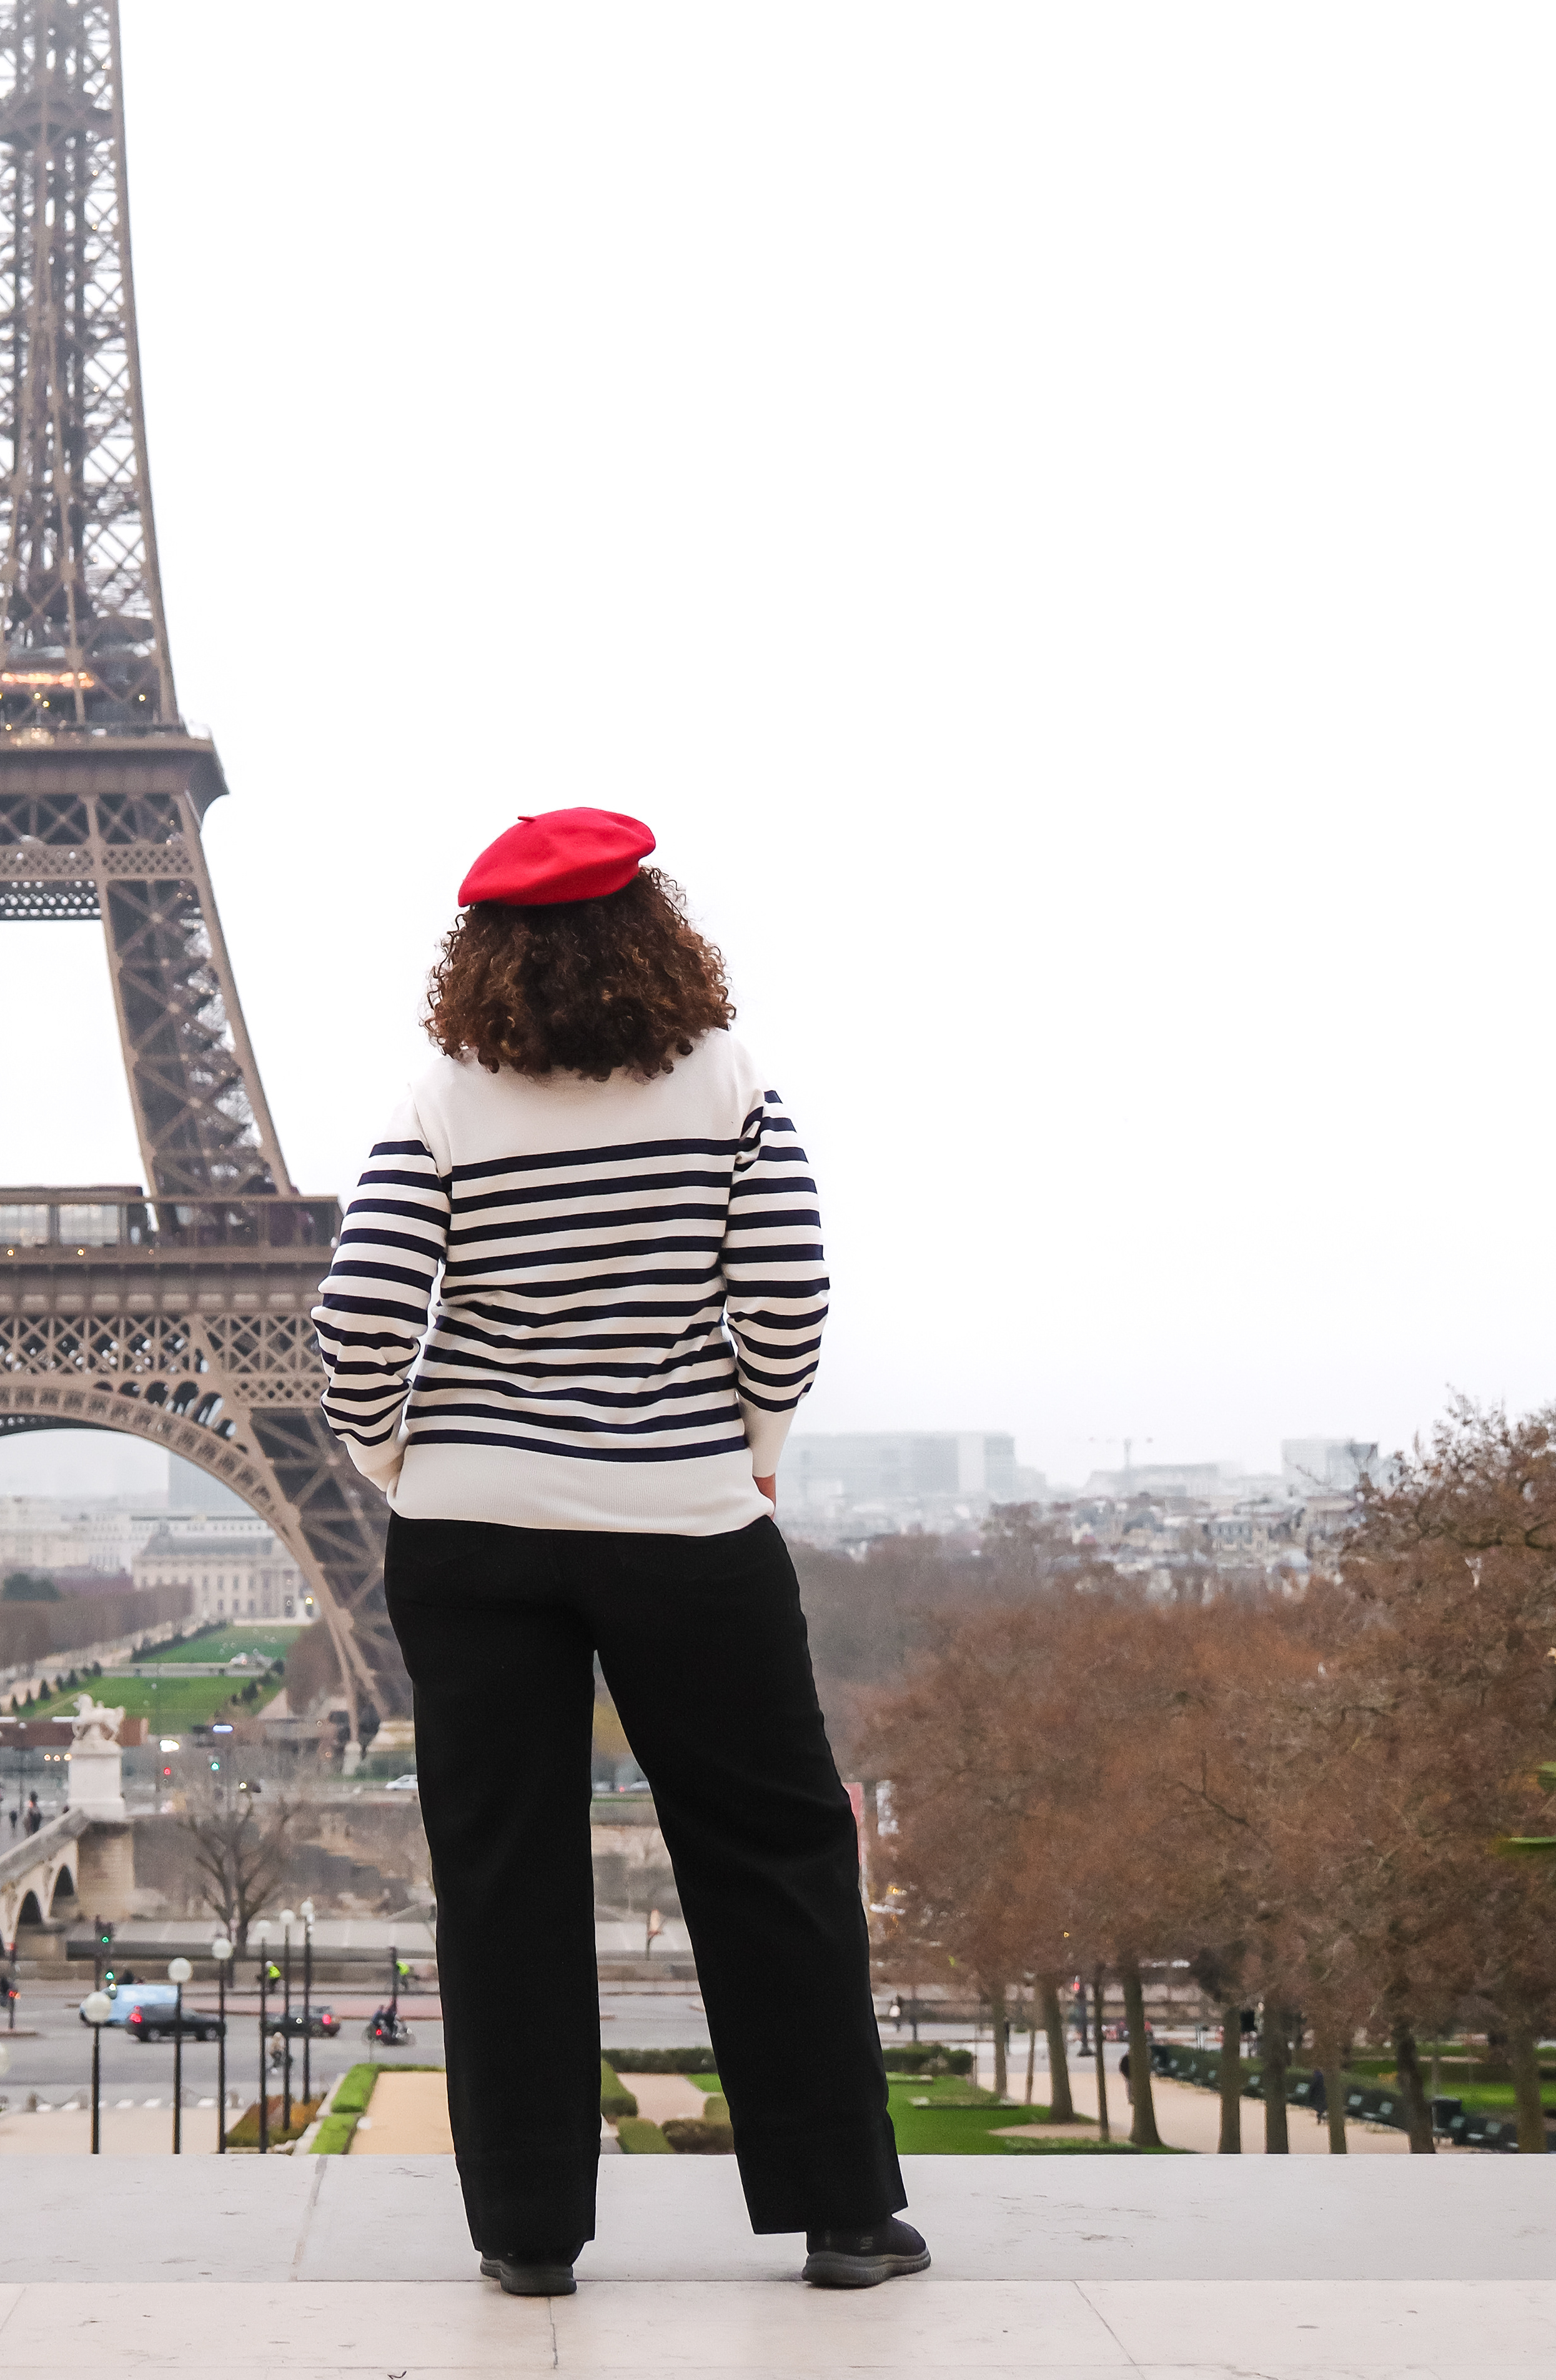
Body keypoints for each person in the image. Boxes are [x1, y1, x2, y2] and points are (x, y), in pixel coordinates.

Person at [312, 809, 923, 2299]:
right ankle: (842, 2212)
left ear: (485, 951)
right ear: (655, 931)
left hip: (474, 1530)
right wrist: (753, 1441)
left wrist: (401, 1461)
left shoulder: (443, 1098)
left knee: (504, 1874)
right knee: (774, 1851)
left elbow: (362, 1318)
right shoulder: (727, 1082)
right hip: (684, 1518)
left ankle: (528, 2233)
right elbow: (786, 1291)